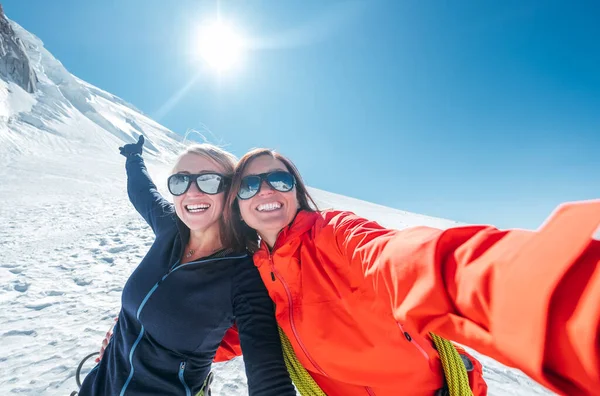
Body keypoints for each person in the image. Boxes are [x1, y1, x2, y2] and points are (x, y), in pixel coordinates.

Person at [223, 148, 600, 396]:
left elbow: (407, 260)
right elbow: (215, 339)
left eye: (280, 180)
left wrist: (560, 295)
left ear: (297, 192)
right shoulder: (257, 280)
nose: (266, 190)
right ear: (237, 205)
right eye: (250, 185)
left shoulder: (335, 234)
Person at [78, 137, 296, 396]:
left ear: (231, 192)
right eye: (180, 181)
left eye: (208, 180)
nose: (192, 192)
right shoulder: (171, 228)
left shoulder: (244, 277)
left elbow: (268, 378)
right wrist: (134, 158)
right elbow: (142, 191)